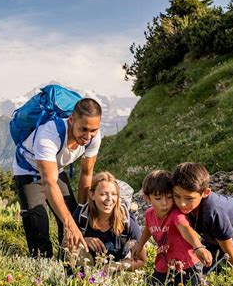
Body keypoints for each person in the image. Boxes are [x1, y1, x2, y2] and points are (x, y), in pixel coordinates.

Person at [13, 98, 102, 258]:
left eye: (93, 130)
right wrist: (70, 225)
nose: (88, 136)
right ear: (71, 120)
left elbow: (87, 173)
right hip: (28, 171)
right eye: (83, 129)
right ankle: (41, 264)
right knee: (38, 221)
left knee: (72, 214)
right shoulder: (48, 135)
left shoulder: (93, 137)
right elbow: (49, 182)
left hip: (55, 168)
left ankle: (67, 261)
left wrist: (81, 211)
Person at [171, 162, 233, 286]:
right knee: (198, 277)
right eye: (177, 196)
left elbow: (229, 249)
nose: (182, 203)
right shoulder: (183, 206)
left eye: (189, 198)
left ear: (205, 192)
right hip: (215, 239)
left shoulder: (214, 212)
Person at [132, 170, 212, 286]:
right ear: (147, 198)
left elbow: (185, 228)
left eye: (169, 197)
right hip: (164, 265)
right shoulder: (149, 214)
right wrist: (140, 245)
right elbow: (148, 228)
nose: (164, 203)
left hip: (187, 265)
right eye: (158, 198)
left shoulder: (176, 214)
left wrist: (198, 247)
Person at [72, 172, 145, 271]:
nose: (109, 199)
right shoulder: (82, 215)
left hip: (115, 270)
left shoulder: (127, 220)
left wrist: (111, 268)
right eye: (103, 194)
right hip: (85, 270)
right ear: (92, 195)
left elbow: (141, 260)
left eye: (114, 194)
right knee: (78, 249)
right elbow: (65, 246)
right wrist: (83, 241)